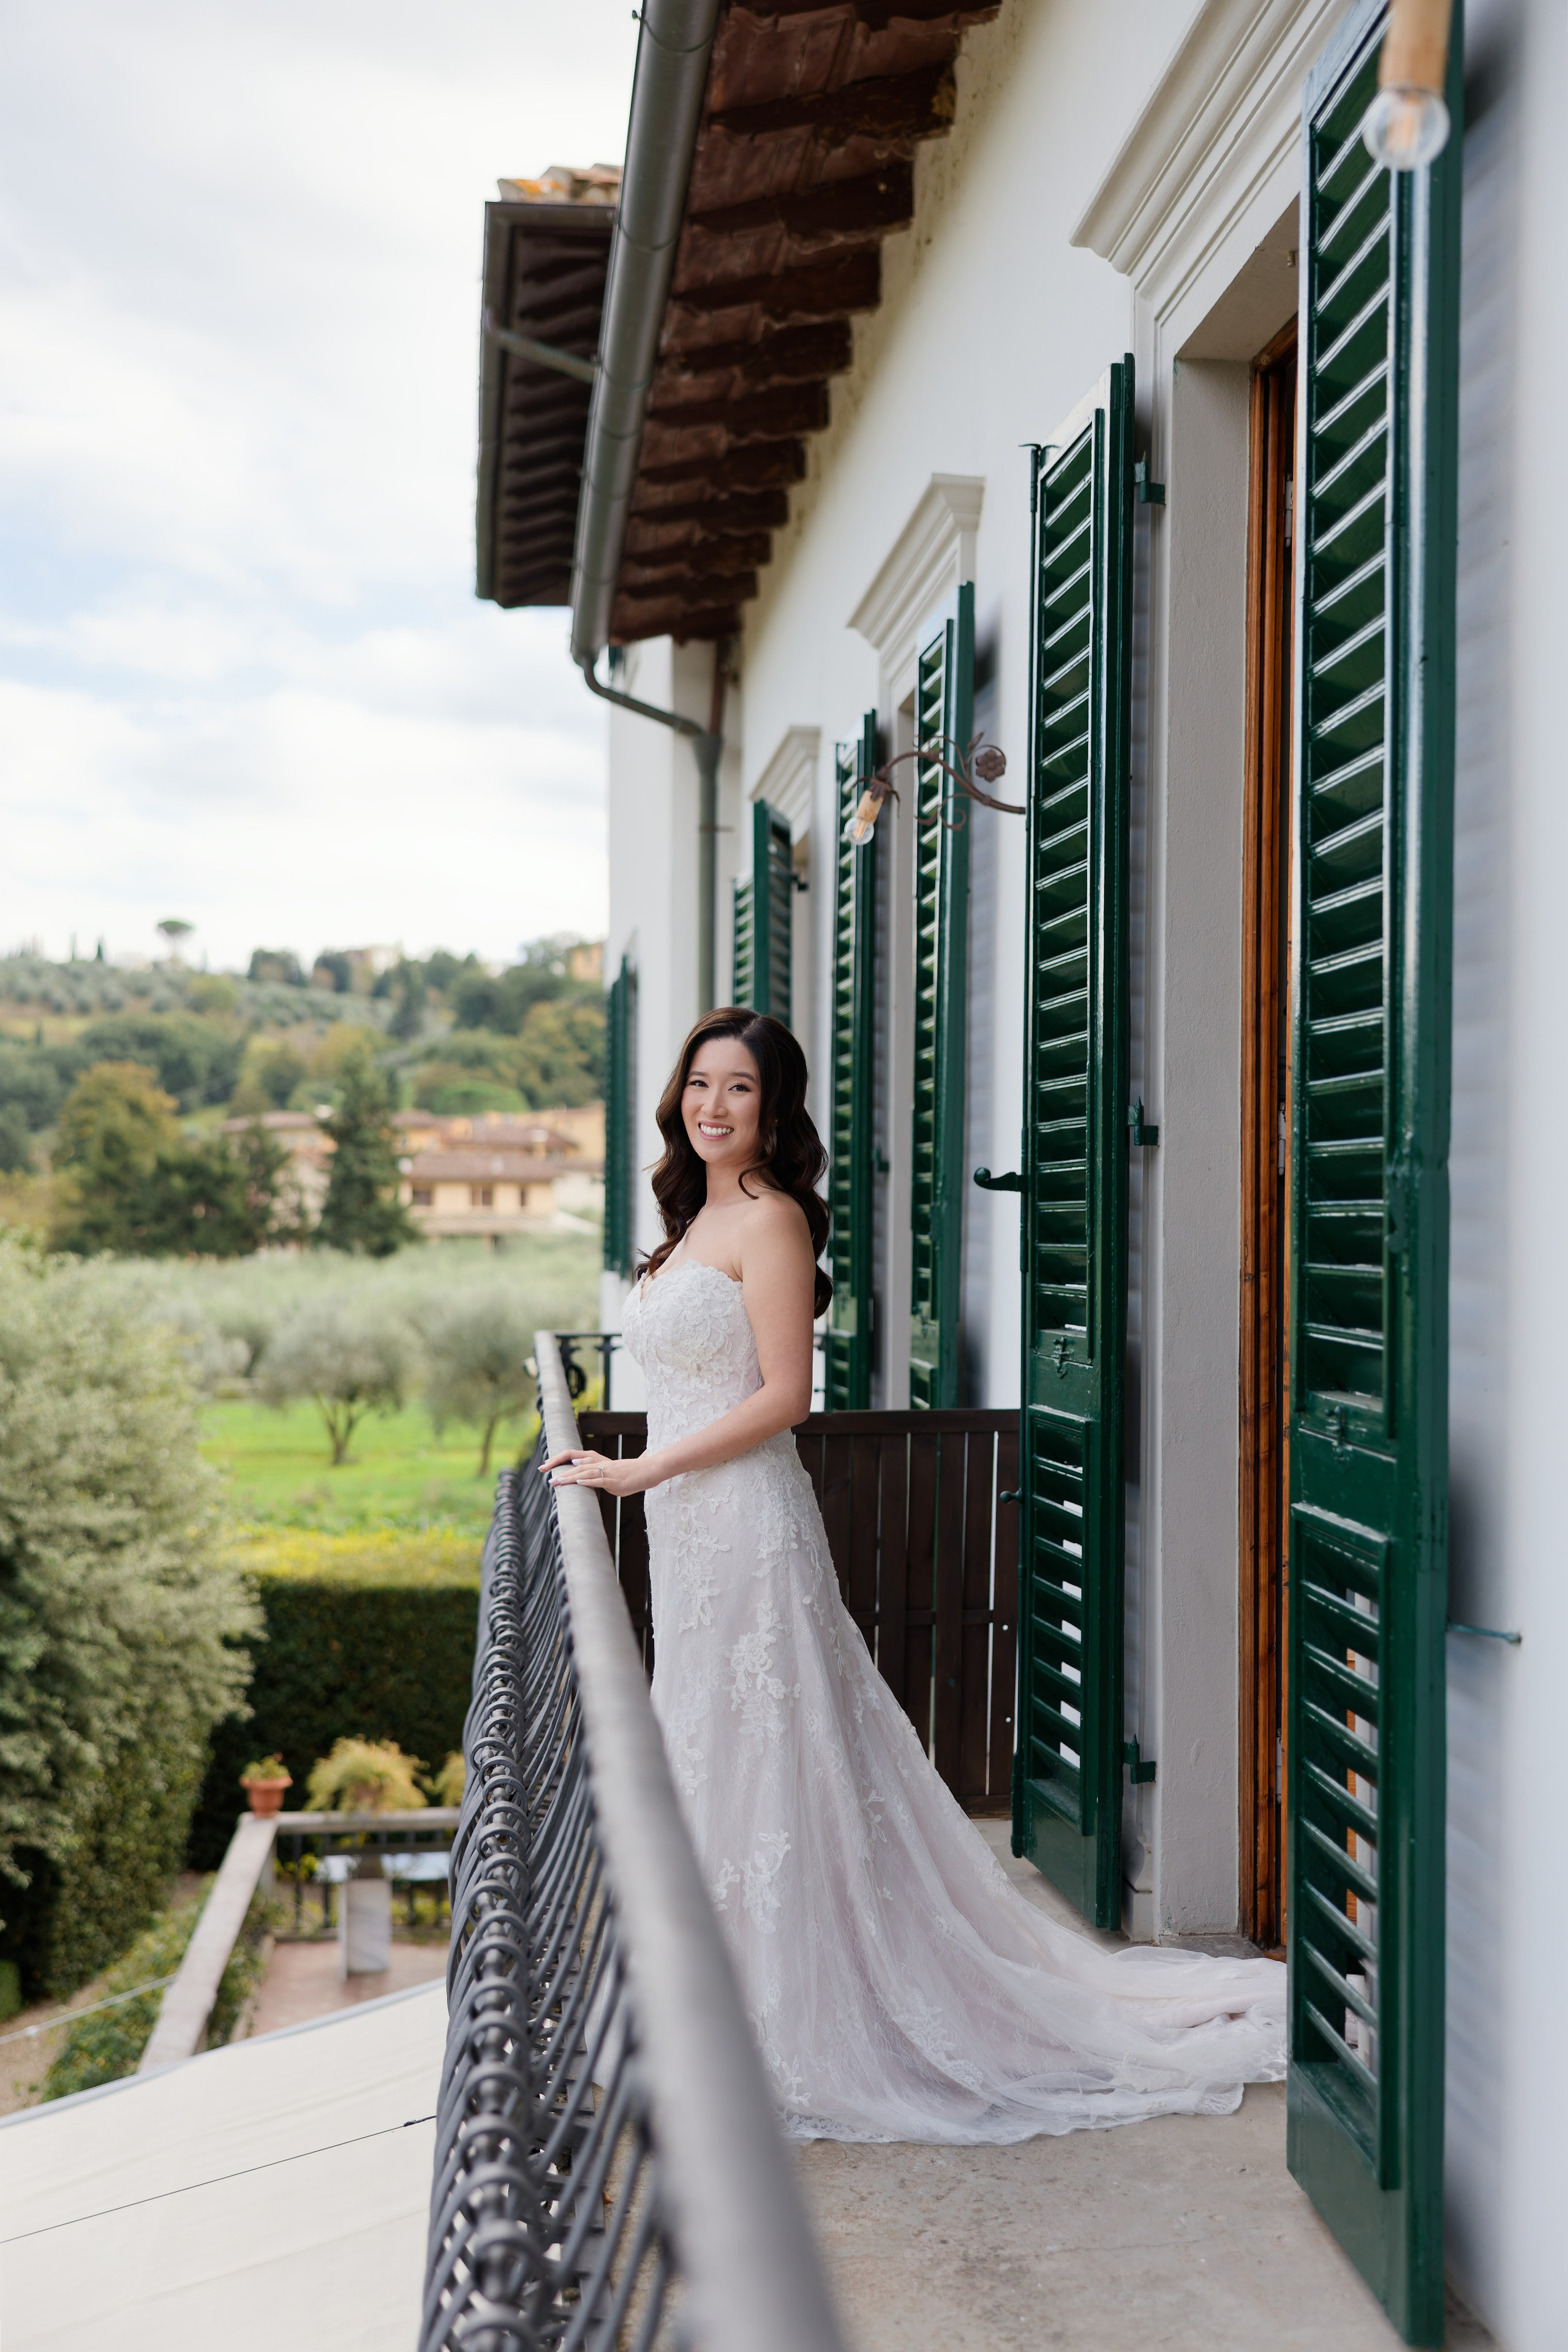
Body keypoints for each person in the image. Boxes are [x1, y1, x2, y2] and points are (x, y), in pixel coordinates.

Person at [542, 1009, 1285, 2144]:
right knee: (709, 1743)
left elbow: (784, 1397)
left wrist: (640, 1469)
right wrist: (644, 1478)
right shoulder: (691, 1220)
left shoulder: (771, 1220)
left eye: (738, 1088)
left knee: (764, 1751)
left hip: (742, 1522)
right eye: (699, 1084)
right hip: (689, 1531)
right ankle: (706, 1994)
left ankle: (785, 2014)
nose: (712, 1106)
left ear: (774, 1109)